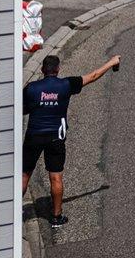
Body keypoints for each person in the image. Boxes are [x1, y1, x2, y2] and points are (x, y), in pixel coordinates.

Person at [22, 54, 120, 228]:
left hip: (34, 135)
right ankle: (56, 217)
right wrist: (111, 62)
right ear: (58, 69)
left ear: (43, 69)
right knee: (56, 176)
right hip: (56, 138)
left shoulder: (32, 88)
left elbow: (23, 109)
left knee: (24, 175)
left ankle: (14, 213)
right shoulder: (66, 85)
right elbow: (94, 75)